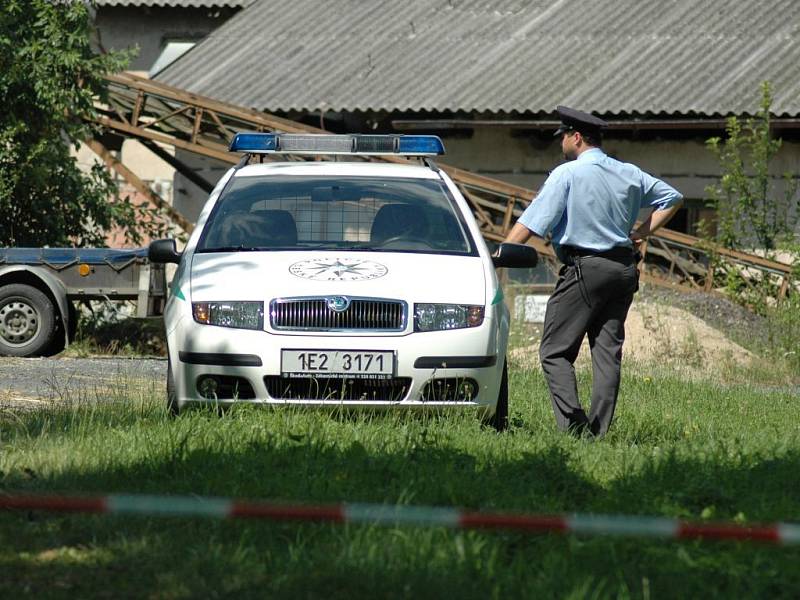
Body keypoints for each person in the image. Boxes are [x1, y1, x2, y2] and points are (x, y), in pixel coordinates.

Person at [505, 105, 683, 437]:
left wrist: (499, 253)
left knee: (554, 351)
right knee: (606, 354)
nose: (561, 144)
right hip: (623, 269)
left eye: (563, 137)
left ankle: (574, 430)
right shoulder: (629, 172)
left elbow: (530, 223)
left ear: (575, 137)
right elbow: (672, 198)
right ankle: (598, 433)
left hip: (585, 269)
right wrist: (641, 233)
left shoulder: (567, 174)